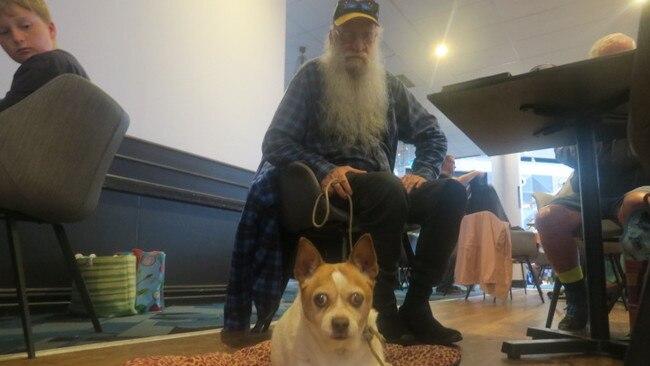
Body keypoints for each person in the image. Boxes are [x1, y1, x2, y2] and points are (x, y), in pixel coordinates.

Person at [223, 0, 467, 346]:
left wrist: (424, 171)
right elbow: (276, 141)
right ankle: (381, 310)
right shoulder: (311, 77)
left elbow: (433, 134)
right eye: (348, 35)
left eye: (366, 36)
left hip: (385, 188)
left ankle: (416, 306)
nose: (357, 44)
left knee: (452, 192)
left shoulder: (389, 86)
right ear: (332, 38)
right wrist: (325, 169)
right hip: (327, 188)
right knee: (387, 188)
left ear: (375, 39)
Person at [535, 33, 650, 331]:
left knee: (639, 206)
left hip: (632, 189)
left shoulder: (644, 97)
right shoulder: (579, 101)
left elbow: (636, 152)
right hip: (587, 192)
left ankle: (639, 299)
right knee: (548, 219)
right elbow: (562, 150)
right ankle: (578, 296)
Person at [0, 0, 88, 113]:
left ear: (51, 30)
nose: (16, 38)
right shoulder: (65, 62)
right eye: (4, 32)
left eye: (25, 26)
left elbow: (6, 119)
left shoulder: (45, 64)